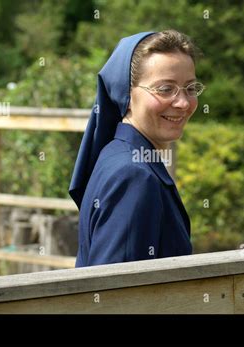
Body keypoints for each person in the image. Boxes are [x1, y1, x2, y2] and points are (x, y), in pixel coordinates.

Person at [69, 30, 205, 267]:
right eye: (165, 89)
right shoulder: (133, 176)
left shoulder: (118, 155)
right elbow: (115, 295)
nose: (183, 103)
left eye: (190, 88)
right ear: (126, 95)